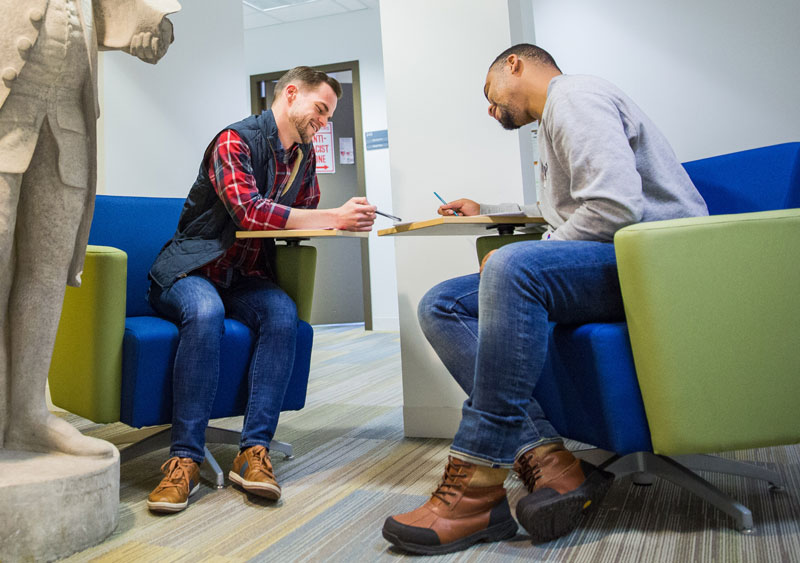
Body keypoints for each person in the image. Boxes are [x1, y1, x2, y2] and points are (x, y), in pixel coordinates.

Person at [382, 44, 708, 554]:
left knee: (513, 266)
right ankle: (546, 454)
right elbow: (566, 208)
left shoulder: (574, 97)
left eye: (488, 94)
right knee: (441, 304)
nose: (490, 109)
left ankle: (477, 485)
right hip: (623, 259)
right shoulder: (556, 117)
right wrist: (489, 208)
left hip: (658, 264)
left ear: (514, 64)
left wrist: (532, 256)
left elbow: (614, 206)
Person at [145, 66, 377, 513]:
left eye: (329, 117)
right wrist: (334, 215)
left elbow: (307, 211)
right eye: (321, 110)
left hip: (243, 277)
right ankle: (185, 459)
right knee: (206, 312)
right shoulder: (233, 140)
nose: (323, 123)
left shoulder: (303, 156)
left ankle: (254, 451)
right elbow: (250, 214)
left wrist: (343, 217)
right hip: (191, 272)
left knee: (282, 313)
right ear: (291, 94)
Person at [0, 0, 179, 458]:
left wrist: (152, 27)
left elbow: (122, 15)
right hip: (7, 115)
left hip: (68, 126)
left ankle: (27, 417)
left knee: (45, 277)